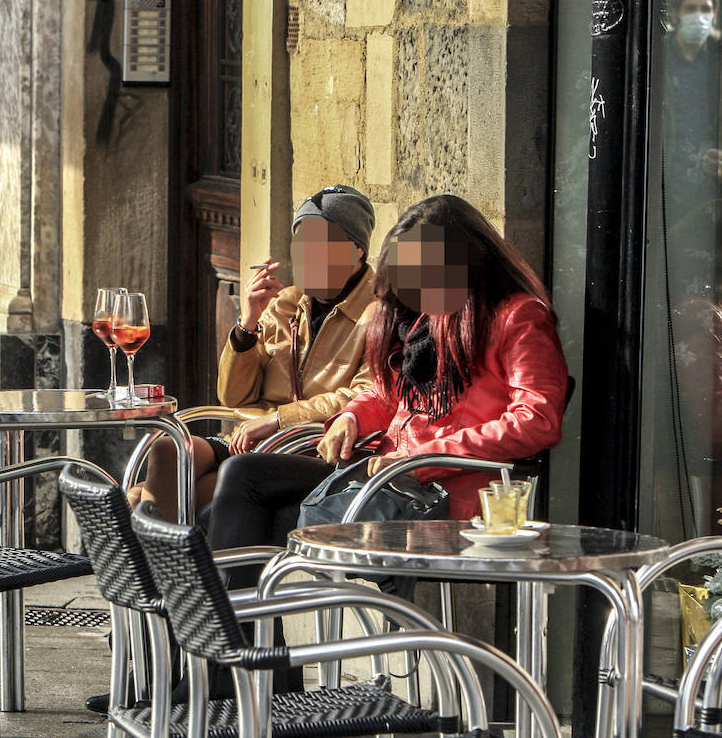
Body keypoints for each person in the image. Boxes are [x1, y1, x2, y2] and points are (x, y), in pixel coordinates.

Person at [209, 193, 568, 566]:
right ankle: (230, 622)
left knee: (258, 516)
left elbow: (536, 420)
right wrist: (351, 417)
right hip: (383, 474)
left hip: (441, 492)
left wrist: (421, 456)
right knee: (242, 475)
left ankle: (226, 622)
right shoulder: (432, 314)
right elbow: (389, 393)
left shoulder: (518, 316)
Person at [129, 184, 377, 521]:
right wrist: (247, 325)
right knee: (166, 450)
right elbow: (233, 396)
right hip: (247, 438)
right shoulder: (287, 303)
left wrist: (278, 419)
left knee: (148, 500)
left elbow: (364, 395)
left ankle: (169, 570)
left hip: (302, 446)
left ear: (356, 250)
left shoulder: (378, 313)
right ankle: (172, 568)